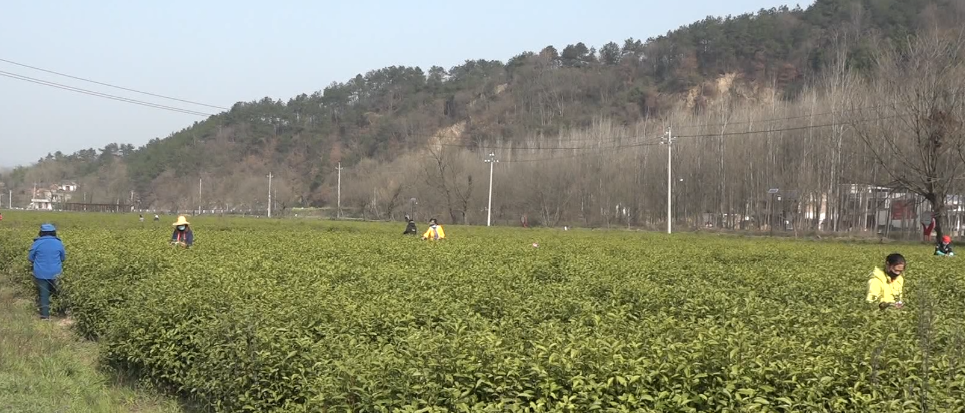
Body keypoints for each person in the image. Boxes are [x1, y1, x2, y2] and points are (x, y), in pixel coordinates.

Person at [28, 223, 66, 320]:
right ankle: (61, 313)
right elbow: (63, 258)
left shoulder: (37, 243)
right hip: (56, 272)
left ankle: (45, 316)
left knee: (44, 294)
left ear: (41, 233)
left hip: (41, 273)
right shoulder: (58, 243)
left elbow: (30, 258)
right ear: (54, 233)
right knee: (59, 292)